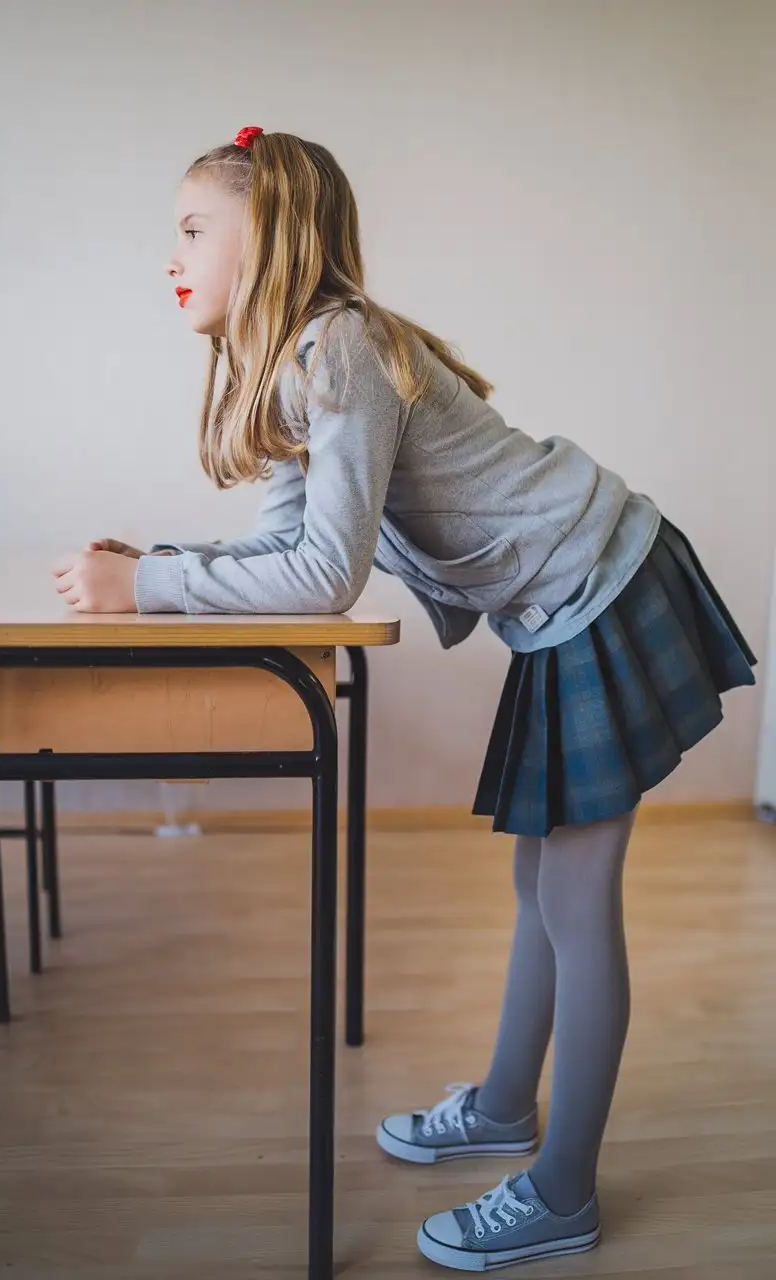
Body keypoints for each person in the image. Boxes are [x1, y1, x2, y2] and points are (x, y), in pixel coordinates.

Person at [52, 127, 757, 1272]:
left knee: (573, 901)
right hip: (574, 594)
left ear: (263, 237)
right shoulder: (300, 363)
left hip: (606, 584)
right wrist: (155, 573)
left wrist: (149, 584)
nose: (169, 257)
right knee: (543, 880)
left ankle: (562, 1190)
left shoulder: (337, 349)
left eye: (190, 230)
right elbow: (290, 549)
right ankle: (501, 1109)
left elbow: (322, 579)